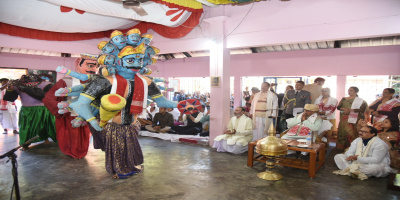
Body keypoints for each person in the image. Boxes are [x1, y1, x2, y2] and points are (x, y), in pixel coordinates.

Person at [42, 54, 99, 158]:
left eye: (96, 66)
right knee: (71, 138)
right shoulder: (66, 81)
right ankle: (73, 153)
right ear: (78, 65)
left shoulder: (97, 82)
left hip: (87, 116)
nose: (94, 69)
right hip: (70, 115)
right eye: (90, 65)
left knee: (84, 137)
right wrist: (59, 108)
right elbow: (49, 97)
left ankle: (80, 153)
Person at [4, 74, 56, 150]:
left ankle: (46, 138)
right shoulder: (18, 85)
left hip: (43, 109)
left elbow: (44, 96)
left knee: (46, 126)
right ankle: (25, 144)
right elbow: (10, 98)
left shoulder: (45, 84)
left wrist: (25, 88)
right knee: (26, 128)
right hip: (27, 110)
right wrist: (10, 89)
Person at [336, 87, 368, 151]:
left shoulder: (360, 100)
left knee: (351, 132)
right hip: (344, 118)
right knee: (343, 131)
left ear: (356, 92)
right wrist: (343, 109)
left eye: (351, 90)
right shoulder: (344, 99)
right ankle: (341, 147)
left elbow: (362, 109)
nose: (349, 92)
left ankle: (352, 147)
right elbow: (338, 107)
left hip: (354, 119)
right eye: (348, 90)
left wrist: (350, 110)